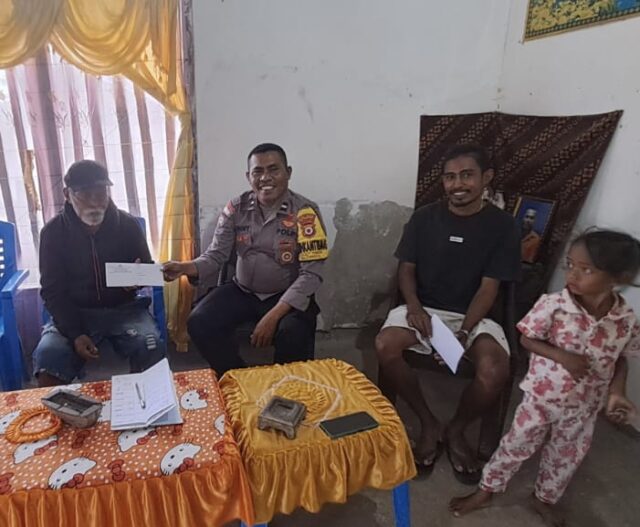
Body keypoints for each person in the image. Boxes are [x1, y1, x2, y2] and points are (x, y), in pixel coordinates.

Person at [449, 230, 640, 527]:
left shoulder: (625, 319)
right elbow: (527, 339)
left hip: (585, 406)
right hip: (541, 398)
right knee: (516, 444)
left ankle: (544, 498)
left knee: (566, 456)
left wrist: (617, 392)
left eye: (586, 269)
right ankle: (486, 489)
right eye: (570, 264)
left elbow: (620, 359)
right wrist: (562, 356)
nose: (572, 274)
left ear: (619, 278)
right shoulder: (554, 305)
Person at [375, 144, 521, 482]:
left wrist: (463, 333)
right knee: (385, 345)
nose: (457, 184)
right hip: (424, 310)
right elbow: (406, 269)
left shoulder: (504, 226)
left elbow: (488, 289)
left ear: (486, 177)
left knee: (494, 369)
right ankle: (428, 423)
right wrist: (414, 308)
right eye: (450, 177)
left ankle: (456, 429)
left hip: (475, 316)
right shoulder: (425, 218)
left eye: (467, 175)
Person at [162, 143, 327, 375]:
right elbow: (216, 254)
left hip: (285, 296)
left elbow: (311, 273)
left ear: (288, 172)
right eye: (258, 171)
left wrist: (273, 316)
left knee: (294, 333)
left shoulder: (305, 213)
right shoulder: (236, 208)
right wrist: (184, 267)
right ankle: (239, 377)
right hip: (242, 290)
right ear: (248, 177)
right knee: (199, 321)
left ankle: (287, 386)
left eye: (273, 169)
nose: (265, 178)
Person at [33, 160, 166, 387]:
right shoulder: (53, 233)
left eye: (101, 193)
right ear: (67, 194)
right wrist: (75, 333)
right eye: (86, 194)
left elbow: (145, 267)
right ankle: (62, 409)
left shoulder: (127, 225)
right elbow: (52, 292)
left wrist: (136, 279)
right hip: (75, 312)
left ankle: (147, 402)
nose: (95, 201)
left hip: (124, 310)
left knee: (151, 344)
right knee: (48, 356)